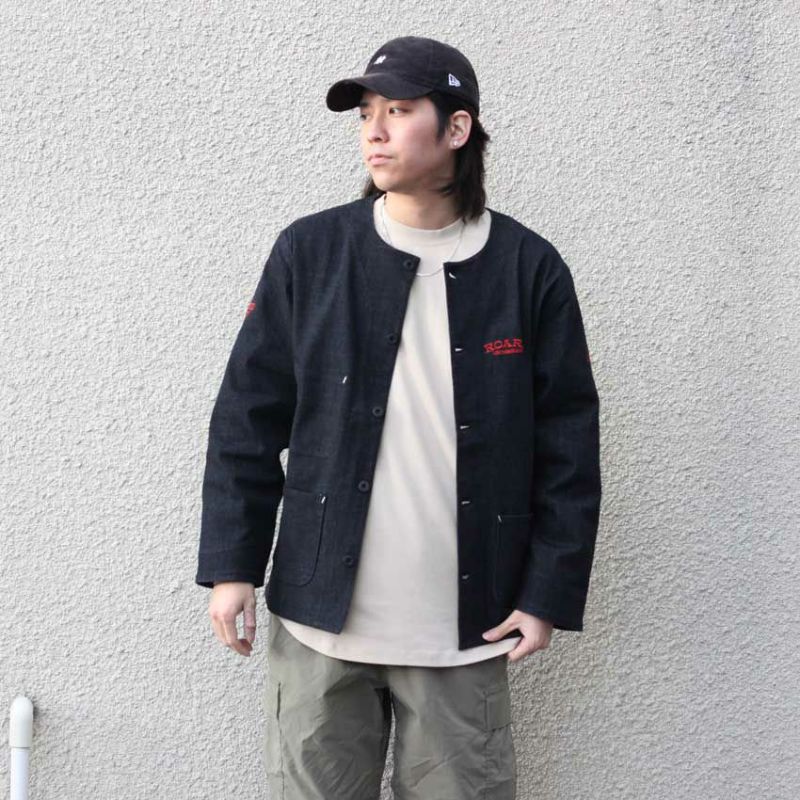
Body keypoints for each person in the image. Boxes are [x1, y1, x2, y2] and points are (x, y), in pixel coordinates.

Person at [196, 35, 601, 799]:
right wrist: (231, 566)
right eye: (366, 115)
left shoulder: (529, 269)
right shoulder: (312, 253)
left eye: (399, 111)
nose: (374, 132)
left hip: (465, 631)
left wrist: (547, 593)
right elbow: (247, 417)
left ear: (457, 128)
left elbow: (569, 450)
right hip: (319, 625)